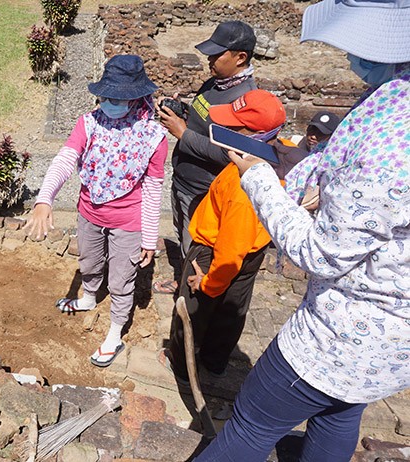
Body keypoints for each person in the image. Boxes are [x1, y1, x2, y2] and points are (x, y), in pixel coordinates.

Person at [194, 0, 410, 459]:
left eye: (361, 47)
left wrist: (257, 177)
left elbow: (321, 253)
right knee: (339, 415)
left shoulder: (391, 143)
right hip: (391, 344)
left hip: (340, 334)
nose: (351, 59)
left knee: (249, 428)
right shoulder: (394, 101)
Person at [23, 55, 168, 367]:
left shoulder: (153, 137)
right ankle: (88, 297)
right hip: (89, 211)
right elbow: (65, 159)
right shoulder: (89, 122)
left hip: (128, 220)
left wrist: (149, 238)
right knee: (88, 260)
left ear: (137, 97)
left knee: (121, 280)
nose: (111, 103)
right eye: (106, 96)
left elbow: (154, 188)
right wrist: (44, 198)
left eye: (119, 98)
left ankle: (115, 334)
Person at [159, 90, 308, 383]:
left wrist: (208, 283)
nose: (224, 130)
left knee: (194, 310)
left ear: (250, 135)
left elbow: (229, 252)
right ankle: (216, 362)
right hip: (253, 250)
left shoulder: (243, 187)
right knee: (233, 310)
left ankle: (181, 364)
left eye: (233, 126)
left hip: (214, 251)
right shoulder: (285, 154)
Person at [153, 20, 258, 295]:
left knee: (197, 246)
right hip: (185, 179)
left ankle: (191, 297)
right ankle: (183, 279)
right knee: (183, 235)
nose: (209, 60)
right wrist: (181, 112)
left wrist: (182, 133)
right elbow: (205, 121)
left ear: (240, 57)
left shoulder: (246, 99)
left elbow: (231, 154)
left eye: (216, 54)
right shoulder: (216, 82)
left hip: (204, 189)